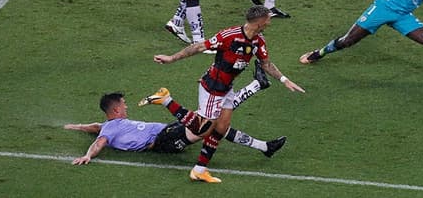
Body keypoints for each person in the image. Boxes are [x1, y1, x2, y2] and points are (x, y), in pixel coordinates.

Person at [147, 4, 306, 183]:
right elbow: (199, 47)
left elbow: (266, 64)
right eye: (268, 18)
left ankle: (199, 170)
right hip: (212, 89)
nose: (270, 21)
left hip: (227, 88)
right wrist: (171, 58)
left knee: (221, 128)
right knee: (202, 130)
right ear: (260, 22)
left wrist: (285, 80)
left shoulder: (258, 41)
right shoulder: (229, 36)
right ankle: (166, 100)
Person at [65, 64, 284, 166]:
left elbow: (94, 127)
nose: (126, 107)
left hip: (168, 130)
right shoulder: (110, 128)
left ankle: (265, 146)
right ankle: (256, 86)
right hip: (162, 141)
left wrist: (72, 127)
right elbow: (99, 140)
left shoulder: (109, 124)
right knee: (212, 123)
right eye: (123, 105)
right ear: (115, 110)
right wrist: (88, 155)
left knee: (216, 123)